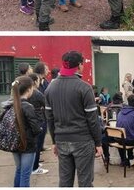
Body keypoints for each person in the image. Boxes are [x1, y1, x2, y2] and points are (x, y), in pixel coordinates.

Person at [45, 51, 103, 187]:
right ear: (80, 65)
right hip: (82, 140)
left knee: (65, 182)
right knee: (85, 182)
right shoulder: (84, 87)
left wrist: (54, 141)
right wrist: (98, 143)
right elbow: (92, 119)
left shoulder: (50, 88)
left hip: (61, 140)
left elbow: (50, 118)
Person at [9, 76, 43, 187]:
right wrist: (39, 129)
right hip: (28, 145)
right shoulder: (28, 107)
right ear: (29, 89)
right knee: (25, 174)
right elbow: (36, 128)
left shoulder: (10, 105)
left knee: (19, 170)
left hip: (14, 143)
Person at [27, 73, 49, 175]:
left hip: (29, 122)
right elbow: (46, 104)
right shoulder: (37, 93)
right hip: (39, 121)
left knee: (33, 145)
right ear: (35, 81)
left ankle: (33, 164)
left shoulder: (24, 92)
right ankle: (35, 168)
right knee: (38, 145)